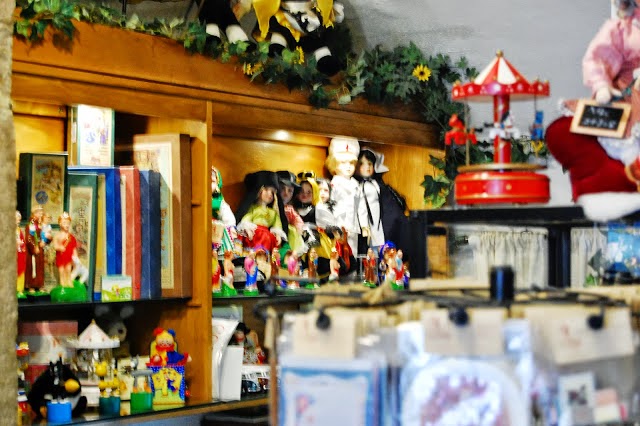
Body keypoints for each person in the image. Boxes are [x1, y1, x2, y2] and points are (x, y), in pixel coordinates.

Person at [546, 0, 640, 220]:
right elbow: (597, 58)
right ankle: (614, 186)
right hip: (625, 103)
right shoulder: (621, 30)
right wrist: (601, 87)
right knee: (562, 132)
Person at [235, 171, 288, 255]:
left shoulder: (273, 212)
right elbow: (247, 218)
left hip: (267, 235)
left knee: (269, 239)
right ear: (258, 191)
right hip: (254, 233)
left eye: (272, 192)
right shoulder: (253, 208)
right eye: (266, 190)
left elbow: (277, 224)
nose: (269, 194)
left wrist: (278, 234)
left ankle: (264, 257)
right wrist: (247, 228)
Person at [325, 137, 360, 256]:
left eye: (351, 163)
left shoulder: (355, 184)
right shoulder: (334, 184)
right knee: (339, 251)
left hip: (353, 225)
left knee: (352, 251)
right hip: (340, 224)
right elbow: (332, 207)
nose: (348, 167)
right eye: (343, 163)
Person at [53, 212, 78, 288]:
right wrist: (59, 247)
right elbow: (55, 246)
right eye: (64, 223)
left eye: (68, 223)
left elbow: (74, 248)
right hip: (61, 257)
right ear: (60, 224)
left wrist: (76, 256)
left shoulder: (71, 236)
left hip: (68, 257)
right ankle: (62, 283)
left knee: (68, 270)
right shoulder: (57, 235)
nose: (67, 225)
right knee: (62, 271)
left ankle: (69, 282)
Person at [25, 206, 45, 293]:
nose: (41, 214)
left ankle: (40, 285)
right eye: (39, 212)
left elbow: (45, 236)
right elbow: (29, 239)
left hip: (40, 250)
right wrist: (34, 247)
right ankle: (31, 285)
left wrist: (46, 240)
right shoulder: (31, 225)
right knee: (33, 267)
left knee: (40, 268)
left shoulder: (42, 225)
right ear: (34, 214)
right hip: (33, 251)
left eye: (41, 212)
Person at [16, 211, 26, 296]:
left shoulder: (19, 230)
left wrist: (23, 247)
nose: (18, 221)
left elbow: (23, 240)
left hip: (20, 254)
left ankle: (20, 289)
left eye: (19, 220)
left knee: (21, 271)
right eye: (17, 220)